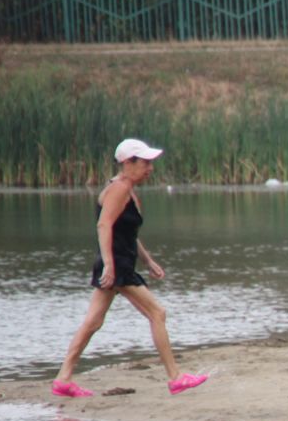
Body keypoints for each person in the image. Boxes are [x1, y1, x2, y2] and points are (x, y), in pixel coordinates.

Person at [52, 138, 208, 398]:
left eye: (150, 163)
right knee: (157, 313)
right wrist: (110, 265)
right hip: (117, 265)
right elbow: (103, 225)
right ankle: (175, 378)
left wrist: (148, 260)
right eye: (145, 163)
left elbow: (125, 232)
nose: (150, 168)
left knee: (93, 321)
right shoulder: (119, 189)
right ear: (127, 163)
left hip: (118, 262)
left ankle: (63, 380)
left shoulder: (126, 188)